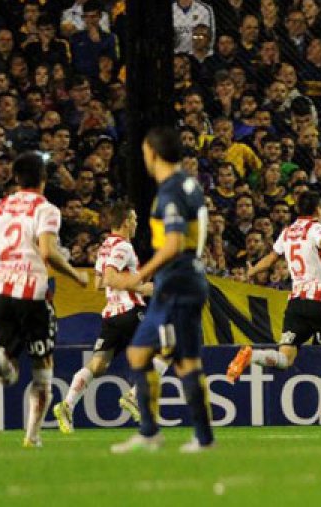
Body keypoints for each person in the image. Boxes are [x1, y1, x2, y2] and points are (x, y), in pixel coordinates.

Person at [226, 190, 321, 432]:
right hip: (320, 301)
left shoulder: (287, 233)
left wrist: (253, 271)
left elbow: (271, 258)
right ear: (318, 209)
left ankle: (251, 356)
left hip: (296, 302)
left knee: (285, 358)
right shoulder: (316, 228)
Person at [0, 152, 90, 448]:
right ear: (43, 179)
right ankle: (32, 436)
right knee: (42, 371)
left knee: (9, 375)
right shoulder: (47, 209)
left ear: (15, 178)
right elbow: (48, 252)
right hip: (32, 294)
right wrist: (76, 275)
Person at [109, 127, 214, 454]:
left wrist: (136, 277)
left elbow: (173, 243)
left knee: (183, 362)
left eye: (143, 152)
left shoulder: (170, 192)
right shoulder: (190, 185)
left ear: (153, 152)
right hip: (184, 281)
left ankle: (198, 438)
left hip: (176, 285)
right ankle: (153, 431)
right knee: (146, 354)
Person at [52, 202, 168, 433]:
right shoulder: (123, 246)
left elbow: (98, 283)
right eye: (134, 219)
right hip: (130, 311)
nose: (136, 223)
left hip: (111, 315)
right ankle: (135, 396)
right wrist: (145, 288)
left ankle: (67, 404)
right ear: (125, 222)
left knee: (98, 364)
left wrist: (133, 280)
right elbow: (110, 277)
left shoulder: (105, 246)